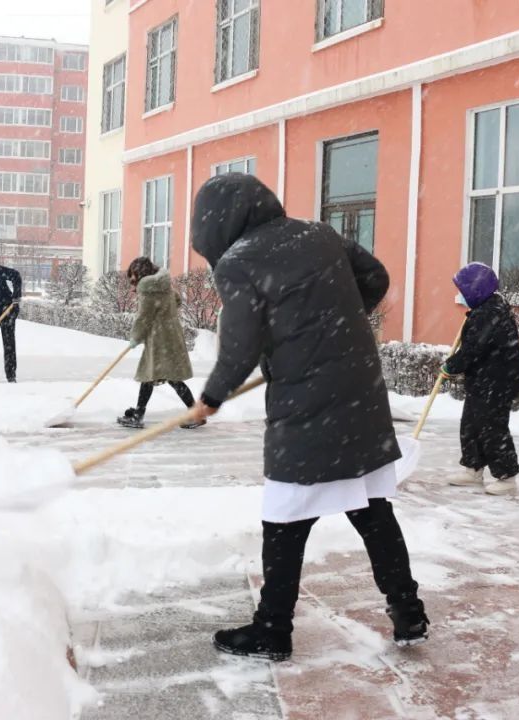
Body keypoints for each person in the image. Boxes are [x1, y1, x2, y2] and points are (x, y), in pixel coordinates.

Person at [186, 173, 428, 660]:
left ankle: (272, 629)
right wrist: (330, 322)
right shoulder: (318, 233)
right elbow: (376, 278)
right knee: (372, 508)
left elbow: (240, 346)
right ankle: (409, 613)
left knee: (284, 520)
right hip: (360, 389)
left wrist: (211, 397)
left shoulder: (238, 262)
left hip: (307, 404)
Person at [441, 262, 519, 495]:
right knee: (471, 423)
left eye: (463, 291)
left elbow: (473, 349)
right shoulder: (484, 309)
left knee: (492, 426)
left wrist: (452, 365)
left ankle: (507, 477)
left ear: (475, 290)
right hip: (484, 378)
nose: (460, 295)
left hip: (500, 379)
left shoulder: (490, 314)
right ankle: (473, 468)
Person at [118, 257, 203, 430]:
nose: (132, 282)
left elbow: (143, 318)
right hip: (171, 336)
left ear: (141, 275)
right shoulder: (163, 285)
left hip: (160, 340)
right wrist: (165, 313)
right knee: (163, 376)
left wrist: (136, 336)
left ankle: (139, 416)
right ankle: (140, 413)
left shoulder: (148, 291)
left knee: (154, 375)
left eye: (134, 278)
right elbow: (177, 300)